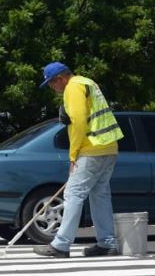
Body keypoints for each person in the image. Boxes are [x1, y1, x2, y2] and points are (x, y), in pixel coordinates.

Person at [33, 61, 123, 258]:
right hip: (109, 146)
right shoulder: (88, 83)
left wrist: (73, 155)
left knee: (73, 194)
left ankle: (60, 245)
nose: (52, 88)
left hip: (91, 148)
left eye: (51, 83)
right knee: (100, 195)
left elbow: (80, 122)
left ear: (61, 79)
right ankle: (107, 243)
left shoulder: (72, 88)